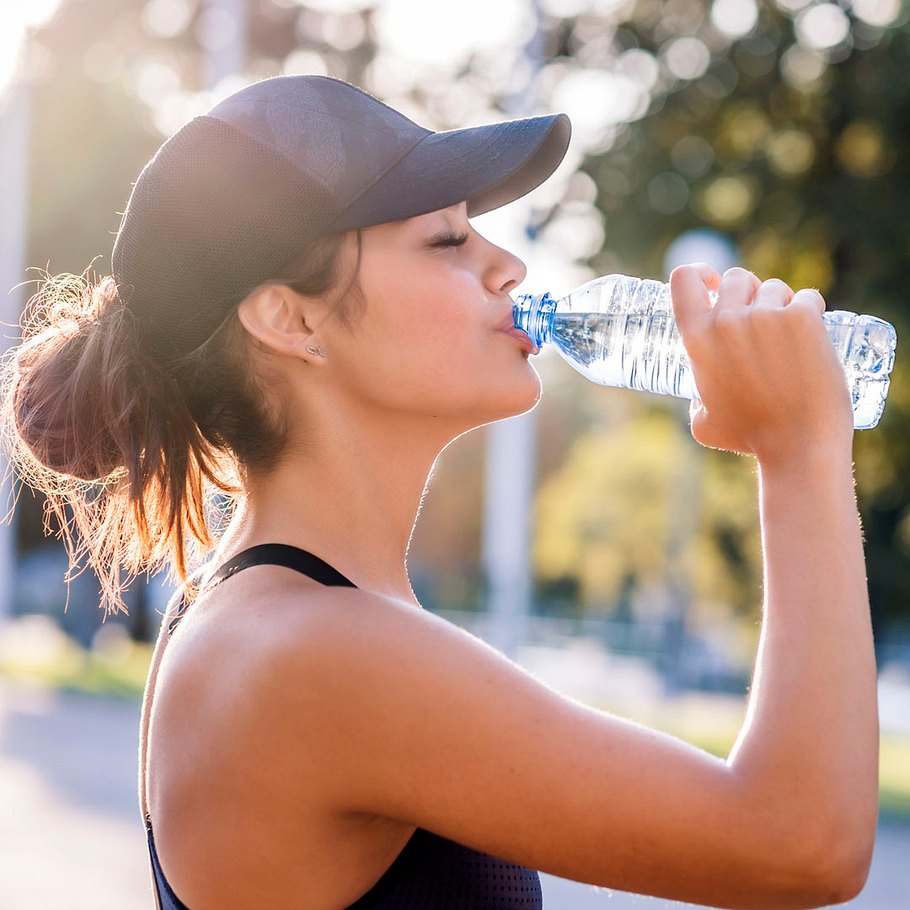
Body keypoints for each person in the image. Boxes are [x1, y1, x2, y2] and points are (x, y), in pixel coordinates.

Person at [2, 74, 878, 910]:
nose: (510, 269)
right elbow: (799, 842)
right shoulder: (312, 653)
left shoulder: (278, 616)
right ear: (290, 318)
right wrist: (799, 451)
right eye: (450, 240)